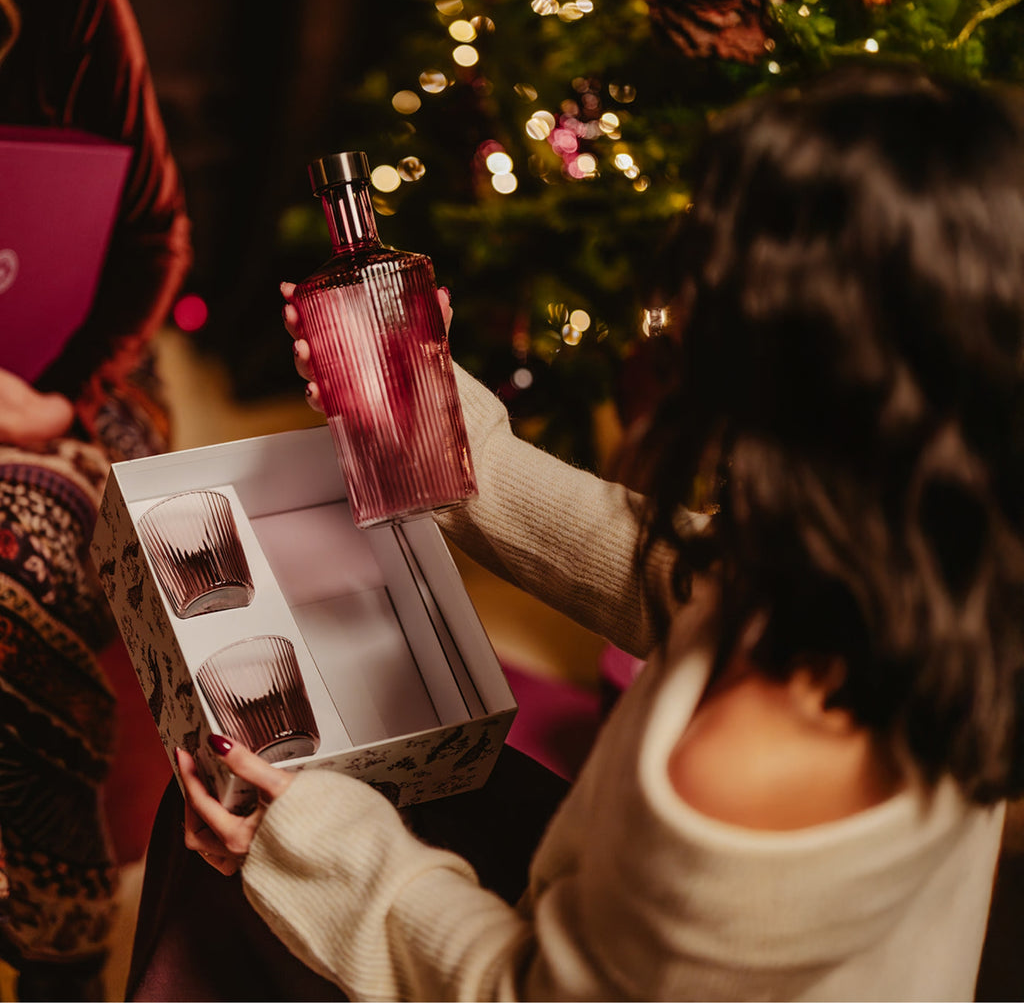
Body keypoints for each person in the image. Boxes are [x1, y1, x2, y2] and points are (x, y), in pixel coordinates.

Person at [176, 61, 1024, 1000]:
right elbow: (688, 585)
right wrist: (445, 441)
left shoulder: (745, 764)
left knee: (215, 891)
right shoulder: (936, 547)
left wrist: (320, 844)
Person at [0, 0, 191, 998]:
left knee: (24, 557)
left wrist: (54, 401)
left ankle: (56, 939)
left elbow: (155, 239)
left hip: (72, 367)